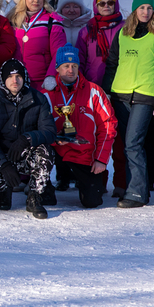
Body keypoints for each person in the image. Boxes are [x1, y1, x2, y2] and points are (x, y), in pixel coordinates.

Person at [102, 0, 154, 208]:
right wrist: (106, 93)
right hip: (120, 96)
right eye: (142, 8)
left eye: (149, 8)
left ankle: (137, 193)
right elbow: (112, 65)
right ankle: (132, 188)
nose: (145, 12)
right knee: (127, 144)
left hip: (145, 95)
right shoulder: (122, 35)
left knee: (134, 143)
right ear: (134, 10)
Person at [0, 59, 56, 219]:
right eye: (10, 76)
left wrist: (27, 138)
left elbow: (49, 131)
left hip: (28, 153)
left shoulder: (38, 98)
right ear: (3, 80)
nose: (15, 80)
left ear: (24, 77)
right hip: (5, 155)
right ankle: (4, 190)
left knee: (46, 153)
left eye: (18, 76)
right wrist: (3, 165)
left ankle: (34, 196)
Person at [43, 45, 116, 209]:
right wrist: (55, 139)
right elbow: (37, 127)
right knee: (40, 149)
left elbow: (108, 126)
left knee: (92, 202)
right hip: (57, 149)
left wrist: (101, 159)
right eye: (66, 66)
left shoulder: (94, 91)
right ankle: (44, 188)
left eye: (74, 66)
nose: (71, 70)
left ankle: (89, 180)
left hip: (83, 154)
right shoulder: (47, 94)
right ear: (57, 68)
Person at [7, 0, 65, 91]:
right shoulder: (12, 21)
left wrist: (51, 75)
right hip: (16, 84)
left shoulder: (52, 21)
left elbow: (59, 52)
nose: (36, 0)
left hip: (42, 84)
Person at [76, 0, 122, 86]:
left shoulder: (125, 28)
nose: (106, 6)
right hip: (92, 84)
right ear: (96, 6)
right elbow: (80, 59)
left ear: (115, 5)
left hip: (120, 84)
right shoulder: (87, 30)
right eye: (102, 3)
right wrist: (80, 81)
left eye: (110, 3)